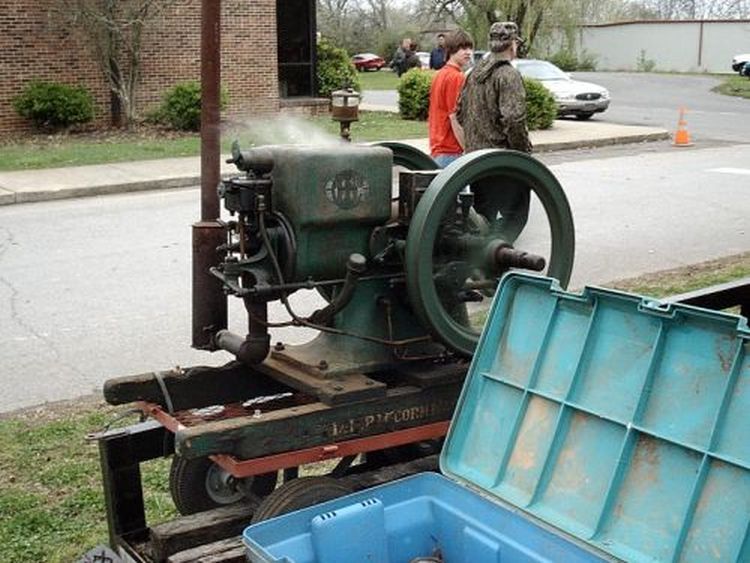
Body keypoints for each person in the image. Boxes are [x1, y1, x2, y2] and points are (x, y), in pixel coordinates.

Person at [456, 21, 530, 239]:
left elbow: (460, 113)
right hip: (502, 162)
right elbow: (514, 119)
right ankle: (495, 253)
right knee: (514, 216)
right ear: (513, 44)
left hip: (476, 162)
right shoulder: (507, 75)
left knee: (483, 218)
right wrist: (521, 153)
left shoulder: (473, 74)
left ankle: (482, 252)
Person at [428, 29, 474, 168]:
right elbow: (455, 117)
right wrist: (469, 150)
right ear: (451, 50)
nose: (468, 52)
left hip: (438, 149)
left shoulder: (440, 75)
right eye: (462, 48)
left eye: (470, 48)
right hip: (451, 151)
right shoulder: (456, 77)